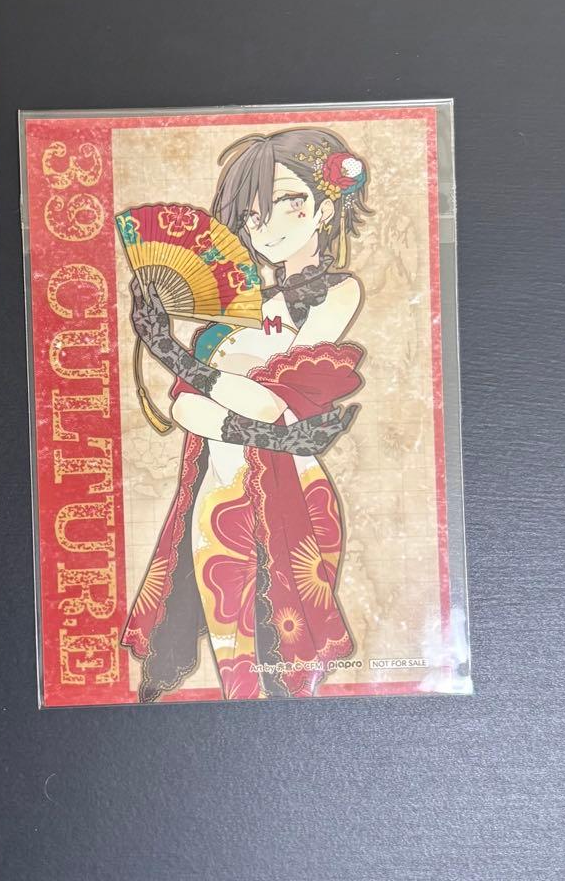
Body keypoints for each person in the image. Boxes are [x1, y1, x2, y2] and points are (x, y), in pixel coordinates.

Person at [121, 129, 372, 701]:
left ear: (325, 208)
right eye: (252, 213)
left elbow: (273, 400)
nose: (266, 225)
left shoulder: (335, 293)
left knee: (278, 659)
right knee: (231, 653)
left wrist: (170, 351)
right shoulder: (236, 305)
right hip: (216, 490)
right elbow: (186, 407)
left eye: (287, 201)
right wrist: (254, 420)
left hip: (291, 493)